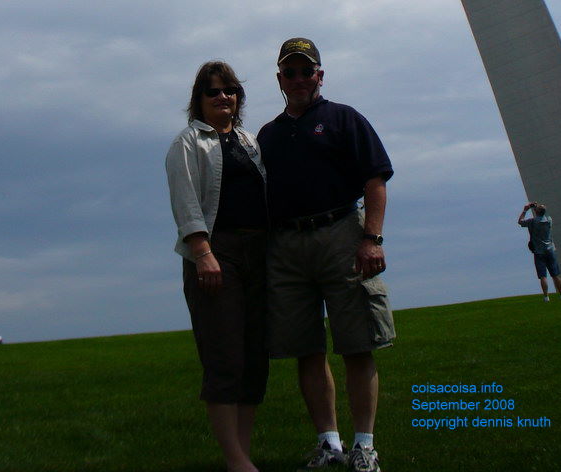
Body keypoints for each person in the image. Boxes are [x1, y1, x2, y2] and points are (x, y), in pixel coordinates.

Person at [257, 38, 395, 472]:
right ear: (280, 79)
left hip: (341, 233)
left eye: (306, 71)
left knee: (357, 343)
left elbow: (375, 179)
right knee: (306, 349)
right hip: (287, 244)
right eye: (290, 72)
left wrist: (372, 238)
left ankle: (364, 446)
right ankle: (328, 445)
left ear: (320, 74)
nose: (298, 79)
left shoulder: (344, 119)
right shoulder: (268, 134)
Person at [166, 60, 268, 472]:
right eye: (213, 91)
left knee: (253, 357)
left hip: (257, 254)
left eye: (230, 90)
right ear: (199, 100)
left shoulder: (249, 142)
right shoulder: (188, 143)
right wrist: (202, 252)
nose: (223, 97)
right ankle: (235, 459)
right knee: (224, 356)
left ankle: (241, 456)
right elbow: (187, 201)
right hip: (214, 254)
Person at [518, 202, 561, 301]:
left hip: (539, 252)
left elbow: (520, 221)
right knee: (555, 275)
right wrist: (537, 208)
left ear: (537, 211)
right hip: (550, 250)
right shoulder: (548, 220)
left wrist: (526, 209)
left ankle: (546, 296)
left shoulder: (532, 221)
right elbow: (542, 213)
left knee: (543, 276)